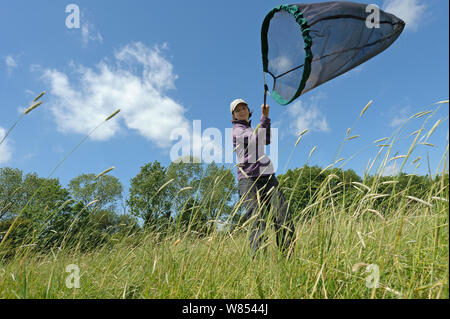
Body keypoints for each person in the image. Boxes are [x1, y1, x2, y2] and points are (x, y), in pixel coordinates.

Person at [230, 98, 295, 256]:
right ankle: (259, 263)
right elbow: (255, 140)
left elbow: (266, 139)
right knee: (257, 221)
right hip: (248, 180)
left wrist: (265, 119)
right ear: (234, 115)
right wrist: (264, 117)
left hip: (267, 177)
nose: (242, 110)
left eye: (244, 107)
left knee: (282, 216)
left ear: (248, 110)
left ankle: (288, 259)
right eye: (238, 110)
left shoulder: (252, 128)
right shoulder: (237, 130)